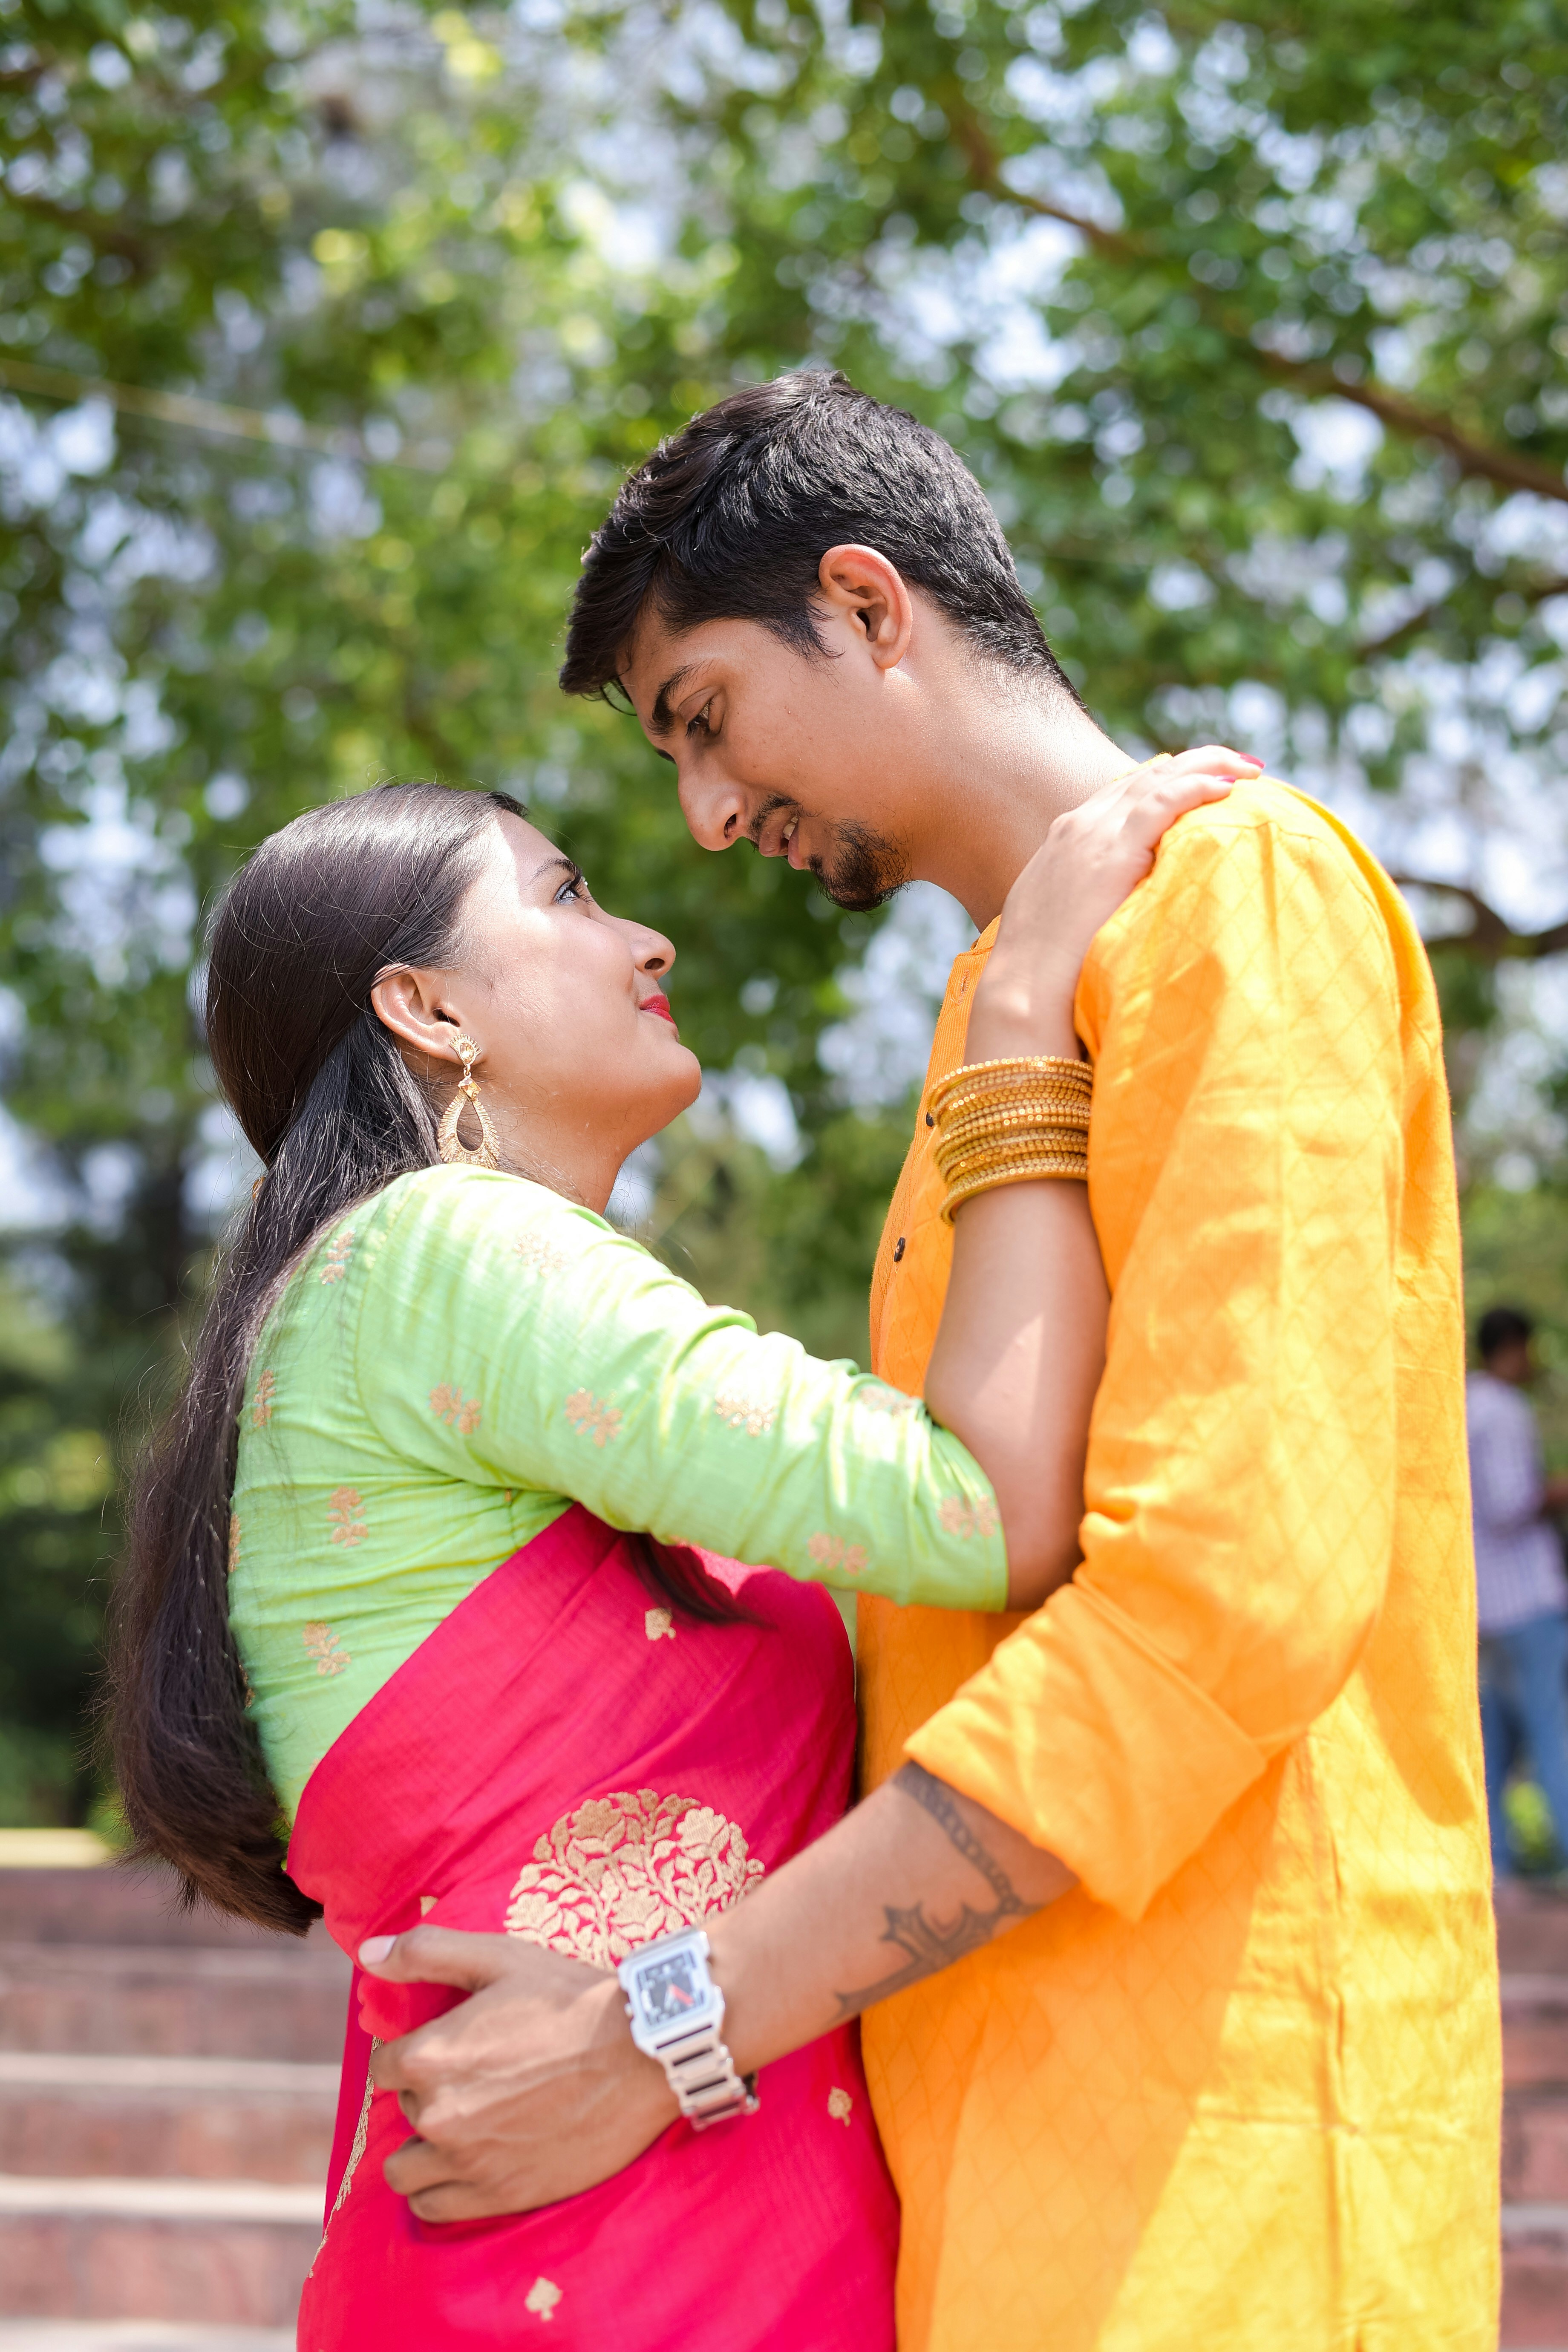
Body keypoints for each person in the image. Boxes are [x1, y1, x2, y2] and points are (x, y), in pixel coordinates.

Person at [362, 373, 1501, 2352]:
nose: (705, 823)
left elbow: (1209, 1605)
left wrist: (662, 2029)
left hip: (1220, 2188)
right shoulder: (1003, 1014)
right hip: (1003, 2166)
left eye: (701, 718)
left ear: (869, 605)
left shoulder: (1234, 896)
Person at [109, 765, 1230, 2351]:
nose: (649, 941)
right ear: (426, 1009)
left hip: (580, 2216)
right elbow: (980, 1504)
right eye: (566, 894)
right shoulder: (444, 1249)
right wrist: (1024, 1010)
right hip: (624, 2252)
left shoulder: (360, 1308)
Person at [1468, 1303, 1568, 1893]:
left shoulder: (1463, 1404)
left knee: (1497, 1746)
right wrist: (1555, 1492)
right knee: (1553, 1730)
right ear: (1513, 1347)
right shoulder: (1501, 1411)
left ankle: (1495, 1866)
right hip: (1526, 1601)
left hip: (1489, 1605)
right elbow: (1508, 1504)